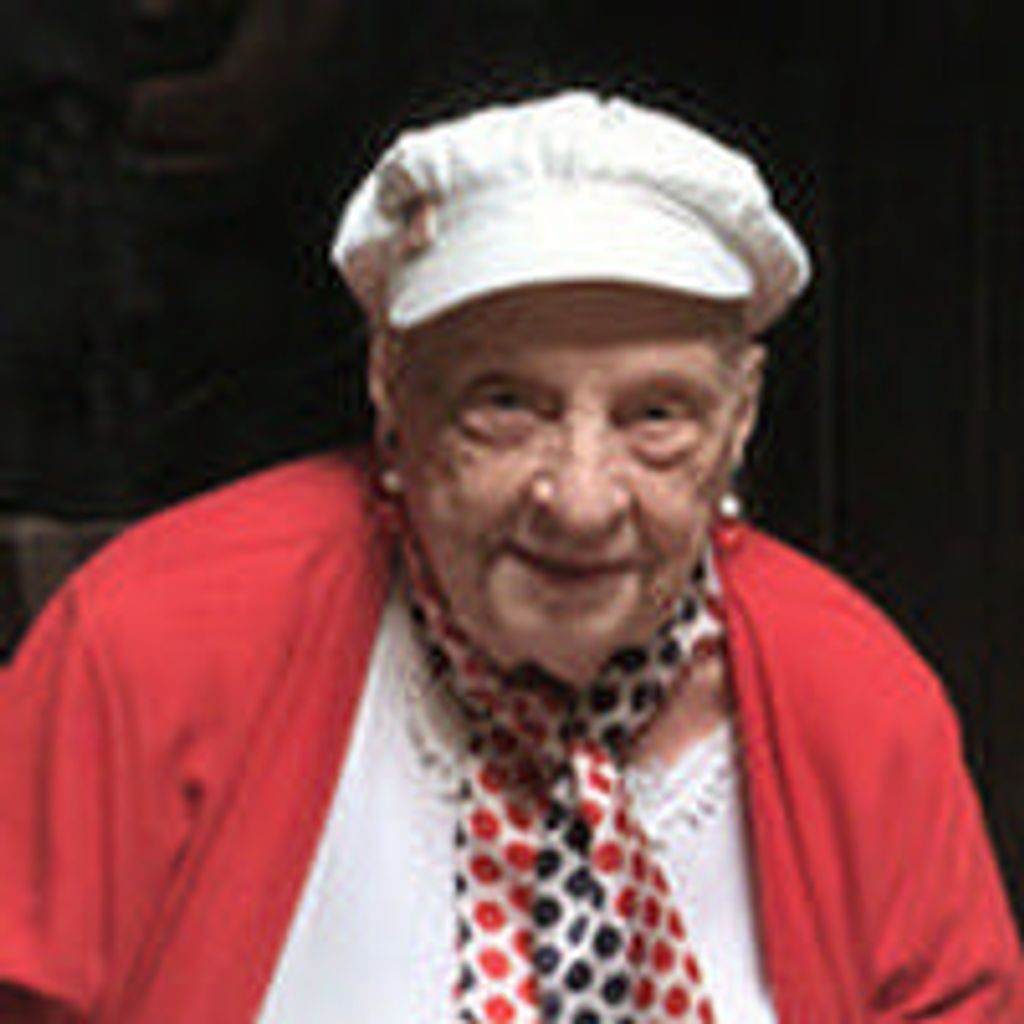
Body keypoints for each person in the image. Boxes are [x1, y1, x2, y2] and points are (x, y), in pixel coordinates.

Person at [0, 90, 1019, 1023]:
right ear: (391, 384)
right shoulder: (146, 642)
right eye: (506, 405)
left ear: (739, 415)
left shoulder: (857, 696)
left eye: (656, 416)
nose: (580, 500)